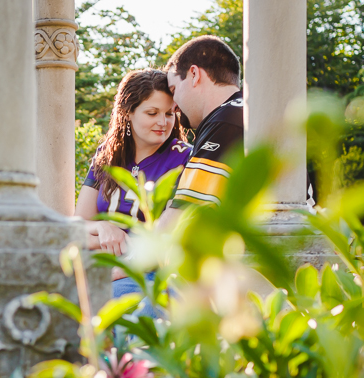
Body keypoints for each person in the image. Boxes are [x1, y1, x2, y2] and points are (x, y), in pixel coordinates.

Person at [76, 68, 191, 298]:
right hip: (99, 263)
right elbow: (78, 225)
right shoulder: (107, 154)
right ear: (128, 112)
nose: (163, 122)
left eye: (169, 114)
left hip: (147, 271)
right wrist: (101, 227)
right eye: (152, 113)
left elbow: (168, 239)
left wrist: (118, 266)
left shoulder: (185, 158)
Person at [157, 35, 244, 230]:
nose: (174, 107)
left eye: (173, 89)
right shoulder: (247, 109)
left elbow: (179, 219)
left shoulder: (225, 121)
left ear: (194, 74)